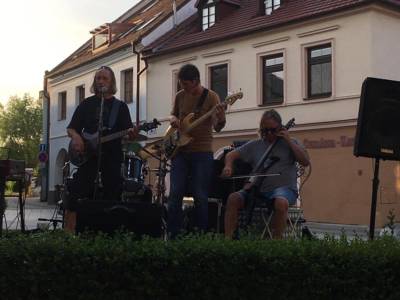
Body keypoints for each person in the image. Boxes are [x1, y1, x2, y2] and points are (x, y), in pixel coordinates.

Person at [65, 66, 138, 233]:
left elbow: (127, 134)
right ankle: (69, 232)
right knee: (76, 192)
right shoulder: (86, 104)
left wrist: (132, 134)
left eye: (104, 78)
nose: (101, 81)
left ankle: (108, 233)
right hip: (88, 156)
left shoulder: (120, 107)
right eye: (98, 78)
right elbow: (71, 128)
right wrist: (76, 138)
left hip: (111, 156)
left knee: (112, 193)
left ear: (111, 82)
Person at [222, 109, 310, 239]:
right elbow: (231, 155)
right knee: (233, 199)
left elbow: (305, 161)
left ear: (280, 128)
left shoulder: (292, 143)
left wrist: (288, 141)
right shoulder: (255, 145)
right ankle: (228, 240)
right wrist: (228, 166)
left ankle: (276, 244)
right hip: (257, 189)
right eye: (265, 130)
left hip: (284, 189)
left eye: (273, 130)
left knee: (280, 203)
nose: (268, 134)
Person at [168, 64, 226, 238]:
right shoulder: (180, 96)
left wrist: (221, 118)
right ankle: (173, 234)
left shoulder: (212, 97)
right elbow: (173, 114)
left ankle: (200, 235)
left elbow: (218, 127)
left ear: (195, 81)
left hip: (202, 151)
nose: (183, 88)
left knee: (200, 194)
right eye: (181, 84)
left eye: (185, 84)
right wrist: (173, 120)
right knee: (175, 192)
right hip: (180, 151)